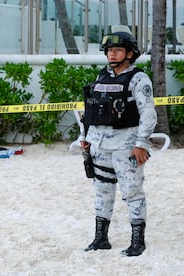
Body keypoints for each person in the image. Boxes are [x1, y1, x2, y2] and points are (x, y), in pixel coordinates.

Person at [79, 31, 157, 257]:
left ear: (130, 54)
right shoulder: (102, 76)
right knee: (102, 192)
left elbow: (148, 114)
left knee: (132, 192)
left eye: (118, 50)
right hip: (100, 145)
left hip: (127, 146)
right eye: (109, 50)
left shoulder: (138, 79)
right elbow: (93, 110)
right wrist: (86, 138)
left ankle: (137, 242)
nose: (112, 54)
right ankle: (101, 238)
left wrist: (141, 144)